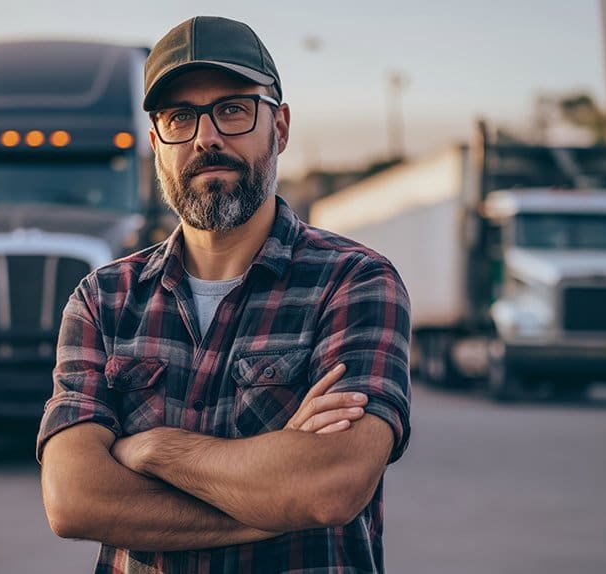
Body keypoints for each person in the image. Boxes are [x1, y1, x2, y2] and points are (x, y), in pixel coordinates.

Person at [37, 16, 411, 573]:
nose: (205, 138)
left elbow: (330, 486)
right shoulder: (103, 301)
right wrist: (273, 501)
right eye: (179, 118)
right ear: (156, 145)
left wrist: (154, 449)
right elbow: (74, 499)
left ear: (279, 128)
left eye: (232, 109)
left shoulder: (354, 282)